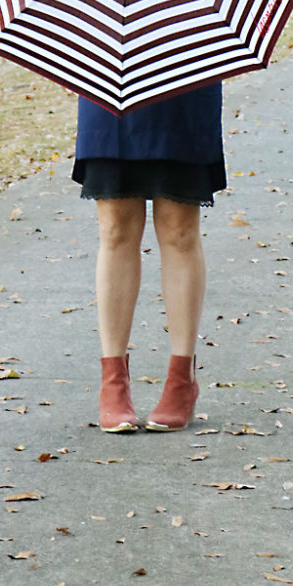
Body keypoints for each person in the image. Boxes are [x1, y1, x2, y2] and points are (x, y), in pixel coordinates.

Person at [72, 83, 226, 432]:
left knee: (179, 229)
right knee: (115, 225)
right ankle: (113, 379)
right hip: (107, 71)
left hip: (184, 66)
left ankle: (181, 378)